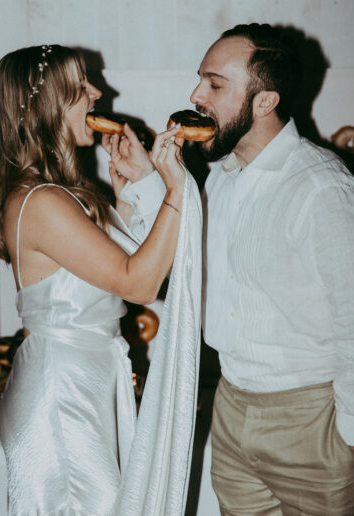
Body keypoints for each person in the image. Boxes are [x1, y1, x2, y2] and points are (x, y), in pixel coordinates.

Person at [117, 22, 354, 516]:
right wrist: (146, 182)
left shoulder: (322, 188)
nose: (194, 95)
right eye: (199, 80)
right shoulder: (220, 178)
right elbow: (175, 275)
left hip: (310, 417)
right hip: (230, 405)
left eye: (215, 85)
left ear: (264, 102)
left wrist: (348, 437)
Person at [0, 44, 202, 516]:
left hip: (82, 382)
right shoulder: (41, 200)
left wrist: (131, 196)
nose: (98, 92)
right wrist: (177, 187)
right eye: (80, 86)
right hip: (62, 396)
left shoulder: (59, 194)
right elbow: (139, 284)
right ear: (44, 105)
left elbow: (116, 271)